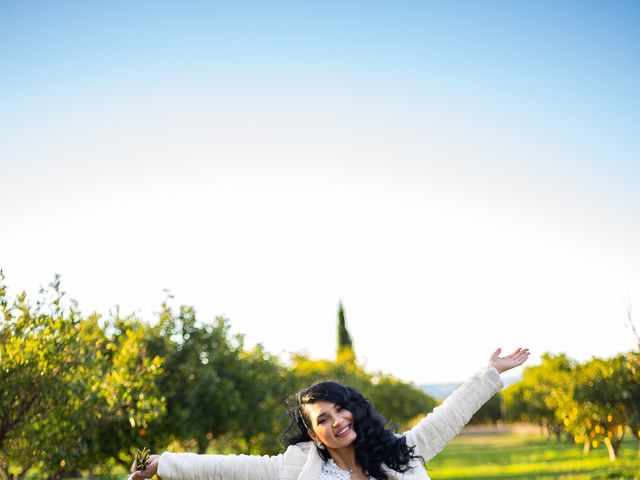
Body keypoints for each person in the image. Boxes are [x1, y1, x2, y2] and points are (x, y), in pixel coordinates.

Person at [131, 347, 530, 480]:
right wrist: (163, 464)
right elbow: (228, 467)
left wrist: (490, 373)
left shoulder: (399, 451)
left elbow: (449, 415)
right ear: (313, 434)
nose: (336, 421)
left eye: (341, 410)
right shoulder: (296, 467)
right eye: (322, 419)